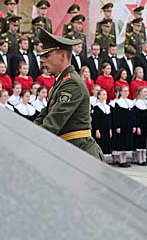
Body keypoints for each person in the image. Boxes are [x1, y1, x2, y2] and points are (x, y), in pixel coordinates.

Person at [34, 28, 104, 160]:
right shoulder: (61, 81)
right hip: (70, 152)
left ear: (62, 56)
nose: (41, 60)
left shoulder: (71, 84)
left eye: (47, 55)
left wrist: (27, 141)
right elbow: (43, 116)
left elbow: (53, 122)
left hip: (80, 155)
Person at [112, 85, 135, 167]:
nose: (126, 93)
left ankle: (125, 160)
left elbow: (133, 115)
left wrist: (134, 126)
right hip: (122, 126)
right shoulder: (118, 103)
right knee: (121, 142)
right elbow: (116, 116)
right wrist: (117, 126)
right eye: (124, 91)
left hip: (128, 125)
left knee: (126, 143)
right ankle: (121, 161)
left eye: (127, 91)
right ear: (120, 92)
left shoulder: (130, 102)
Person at [132, 86, 147, 166]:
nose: (146, 93)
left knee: (145, 142)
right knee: (139, 142)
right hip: (140, 125)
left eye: (146, 92)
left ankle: (144, 158)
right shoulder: (136, 103)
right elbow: (135, 116)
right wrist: (137, 126)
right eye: (144, 92)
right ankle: (140, 159)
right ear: (140, 93)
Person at [91, 89, 113, 157]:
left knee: (106, 144)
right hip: (100, 129)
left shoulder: (107, 106)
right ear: (99, 96)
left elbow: (109, 119)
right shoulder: (97, 107)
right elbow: (96, 120)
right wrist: (97, 130)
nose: (105, 96)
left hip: (106, 129)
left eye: (106, 94)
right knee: (100, 143)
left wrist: (110, 129)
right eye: (103, 94)